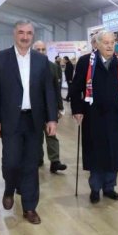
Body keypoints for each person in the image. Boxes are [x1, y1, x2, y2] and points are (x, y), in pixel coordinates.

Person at [0, 21, 57, 225]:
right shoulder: (1, 59)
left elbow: (49, 91)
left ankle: (30, 207)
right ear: (14, 34)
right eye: (21, 33)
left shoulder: (41, 60)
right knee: (11, 162)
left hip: (34, 120)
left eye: (29, 33)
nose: (25, 37)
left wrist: (52, 118)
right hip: (10, 120)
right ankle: (9, 188)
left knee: (31, 164)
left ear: (33, 35)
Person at [71, 30, 118, 203]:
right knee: (95, 152)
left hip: (115, 115)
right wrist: (77, 109)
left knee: (114, 152)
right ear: (97, 44)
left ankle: (109, 187)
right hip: (93, 115)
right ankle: (95, 188)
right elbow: (76, 88)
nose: (109, 46)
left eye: (112, 42)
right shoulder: (86, 62)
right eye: (106, 43)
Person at [33, 41, 67, 174]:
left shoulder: (53, 67)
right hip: (33, 108)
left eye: (43, 49)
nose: (41, 52)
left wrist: (60, 107)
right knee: (36, 136)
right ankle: (37, 158)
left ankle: (55, 161)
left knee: (51, 134)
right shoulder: (27, 66)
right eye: (38, 49)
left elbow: (56, 88)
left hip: (49, 108)